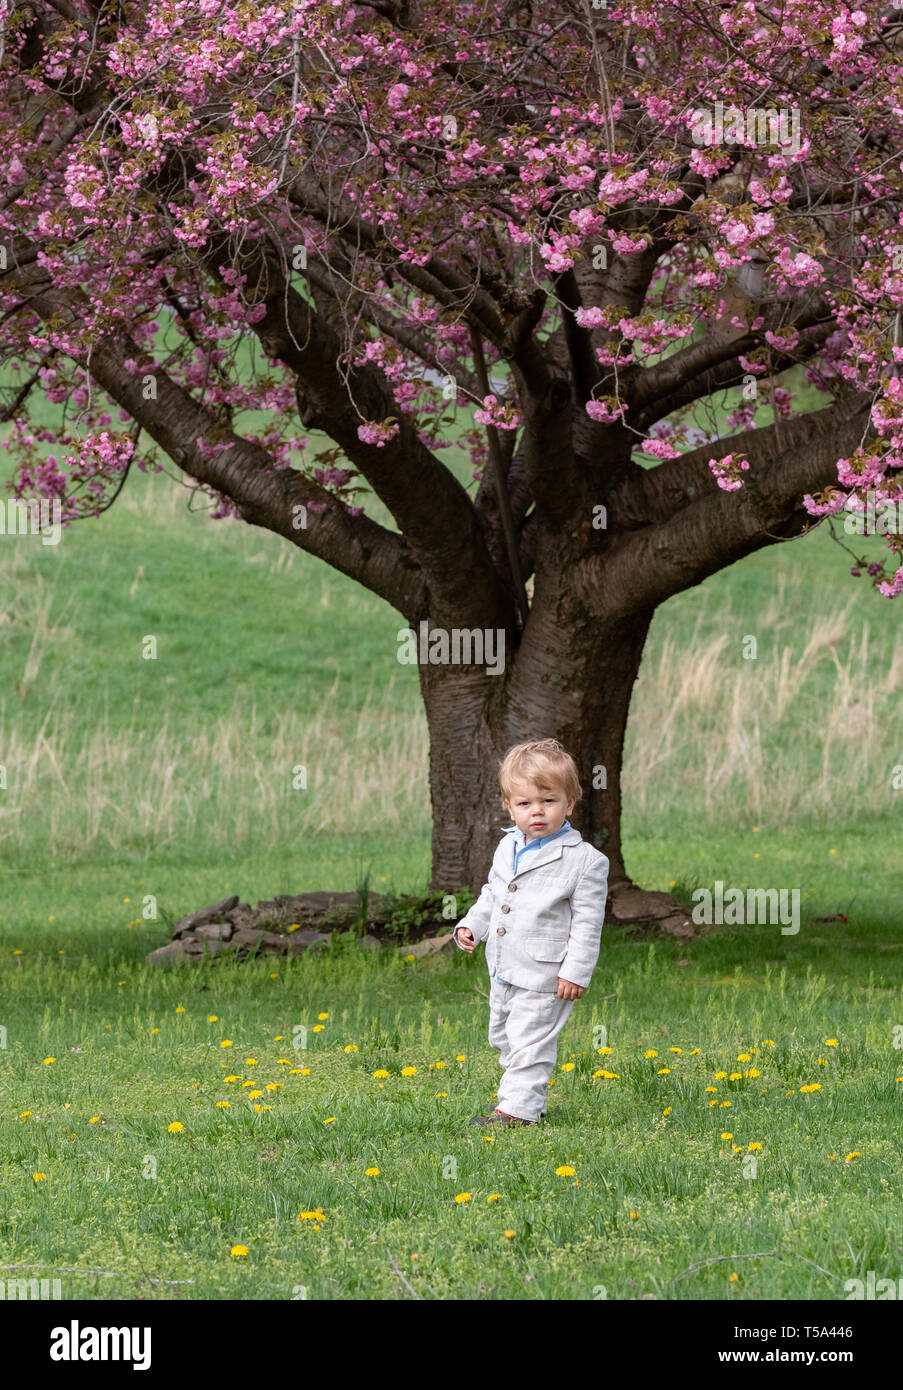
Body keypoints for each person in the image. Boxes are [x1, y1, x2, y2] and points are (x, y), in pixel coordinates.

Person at [453, 738, 609, 1127]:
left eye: (549, 801)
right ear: (509, 806)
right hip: (504, 966)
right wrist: (471, 924)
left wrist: (575, 971)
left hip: (544, 972)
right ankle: (528, 1099)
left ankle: (515, 1112)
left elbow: (588, 924)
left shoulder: (586, 862)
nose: (536, 812)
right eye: (524, 804)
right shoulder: (507, 846)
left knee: (529, 1040)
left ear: (569, 803)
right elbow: (494, 893)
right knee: (504, 1037)